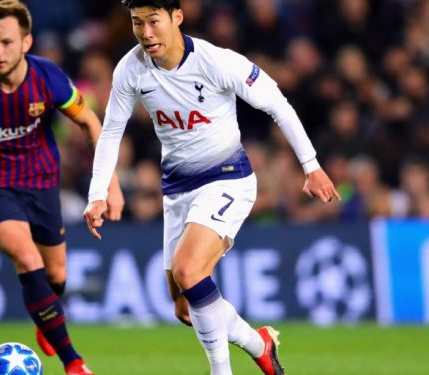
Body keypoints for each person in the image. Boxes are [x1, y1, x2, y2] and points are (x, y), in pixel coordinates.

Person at [82, 1, 341, 375]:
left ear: (177, 16)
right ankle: (259, 343)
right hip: (176, 188)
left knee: (189, 271)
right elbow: (110, 132)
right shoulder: (131, 68)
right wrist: (97, 194)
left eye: (154, 22)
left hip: (227, 176)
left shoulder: (216, 61)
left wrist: (311, 166)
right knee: (185, 307)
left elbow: (278, 105)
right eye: (137, 23)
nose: (146, 33)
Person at [0, 1, 124, 374]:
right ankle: (74, 363)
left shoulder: (48, 79)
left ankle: (46, 322)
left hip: (41, 181)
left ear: (26, 42)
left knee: (57, 275)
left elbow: (91, 124)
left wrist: (108, 185)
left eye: (6, 43)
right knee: (27, 258)